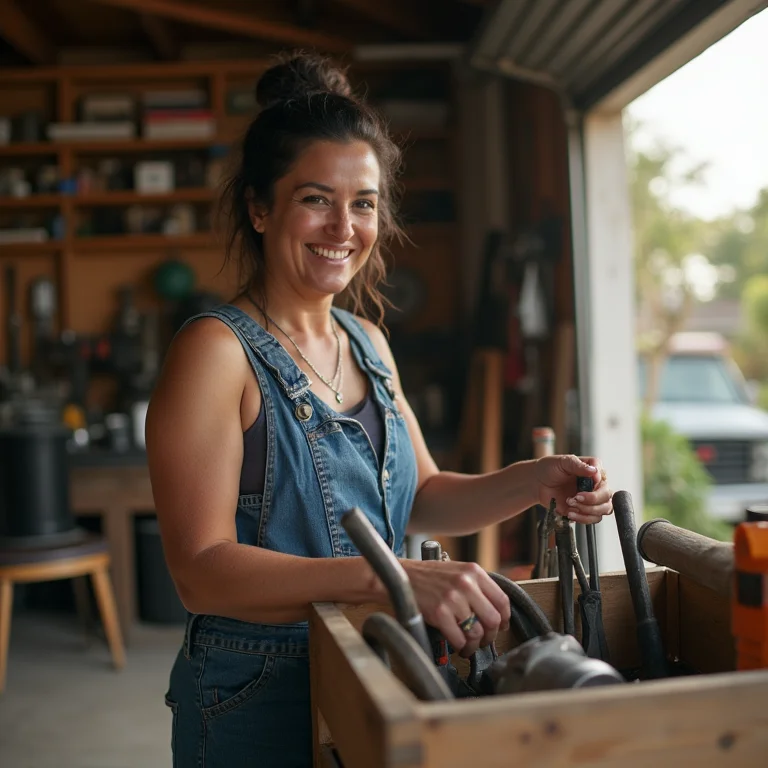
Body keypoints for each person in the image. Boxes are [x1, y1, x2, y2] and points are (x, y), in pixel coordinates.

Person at [146, 52, 613, 768]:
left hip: (378, 669)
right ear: (259, 207)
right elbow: (200, 571)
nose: (343, 227)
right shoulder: (216, 352)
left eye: (362, 202)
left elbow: (422, 496)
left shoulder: (368, 342)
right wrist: (394, 579)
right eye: (314, 199)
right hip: (258, 693)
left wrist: (533, 478)